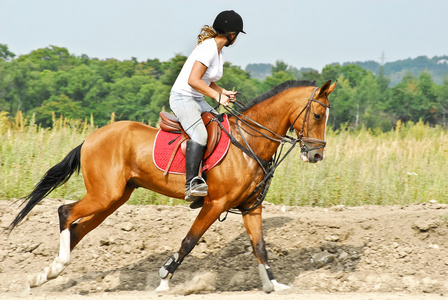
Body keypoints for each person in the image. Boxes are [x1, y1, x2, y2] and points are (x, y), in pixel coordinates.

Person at [170, 10, 245, 202]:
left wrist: (222, 92)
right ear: (232, 35)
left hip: (197, 99)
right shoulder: (208, 48)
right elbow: (193, 80)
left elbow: (208, 80)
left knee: (221, 126)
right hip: (183, 98)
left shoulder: (219, 52)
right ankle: (192, 184)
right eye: (236, 35)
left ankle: (209, 178)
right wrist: (217, 98)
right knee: (200, 135)